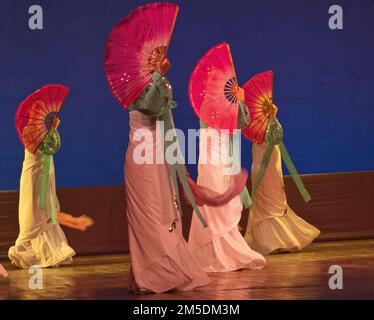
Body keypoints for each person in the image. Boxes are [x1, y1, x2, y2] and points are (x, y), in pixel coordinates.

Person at [125, 50, 211, 293]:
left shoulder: (158, 82)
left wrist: (160, 77)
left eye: (156, 57)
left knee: (165, 210)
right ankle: (151, 273)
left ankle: (165, 268)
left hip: (158, 154)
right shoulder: (136, 85)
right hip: (142, 156)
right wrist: (159, 76)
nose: (155, 61)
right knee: (148, 215)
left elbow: (163, 108)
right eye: (150, 58)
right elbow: (152, 106)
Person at [188, 88, 266, 272]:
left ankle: (226, 248)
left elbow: (242, 123)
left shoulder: (228, 102)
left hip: (223, 155)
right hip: (211, 158)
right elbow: (226, 121)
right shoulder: (207, 102)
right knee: (214, 201)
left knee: (225, 203)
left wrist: (240, 102)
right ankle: (214, 253)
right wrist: (235, 102)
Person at [9, 117, 93, 268]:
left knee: (47, 210)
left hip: (45, 172)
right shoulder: (29, 131)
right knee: (34, 214)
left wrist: (53, 130)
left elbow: (51, 147)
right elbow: (48, 148)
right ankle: (28, 252)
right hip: (34, 175)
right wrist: (53, 129)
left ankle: (48, 252)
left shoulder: (42, 131)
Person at [245, 104, 320, 254]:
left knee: (276, 201)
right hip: (260, 167)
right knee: (265, 203)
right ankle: (269, 242)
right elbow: (252, 133)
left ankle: (281, 240)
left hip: (273, 166)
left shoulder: (273, 123)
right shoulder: (252, 124)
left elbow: (278, 136)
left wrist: (272, 117)